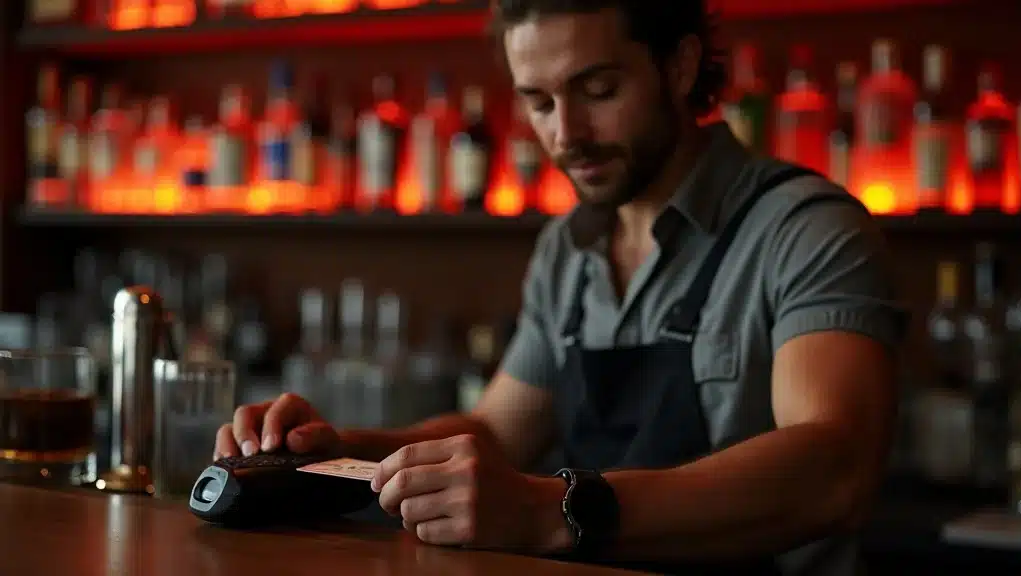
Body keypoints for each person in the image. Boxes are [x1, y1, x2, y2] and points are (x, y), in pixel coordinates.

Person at [214, 1, 908, 574]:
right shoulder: (567, 250)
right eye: (539, 102)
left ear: (679, 66)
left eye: (598, 91)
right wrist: (336, 453)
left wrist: (548, 511)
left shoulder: (806, 230)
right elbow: (496, 432)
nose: (566, 134)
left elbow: (835, 470)